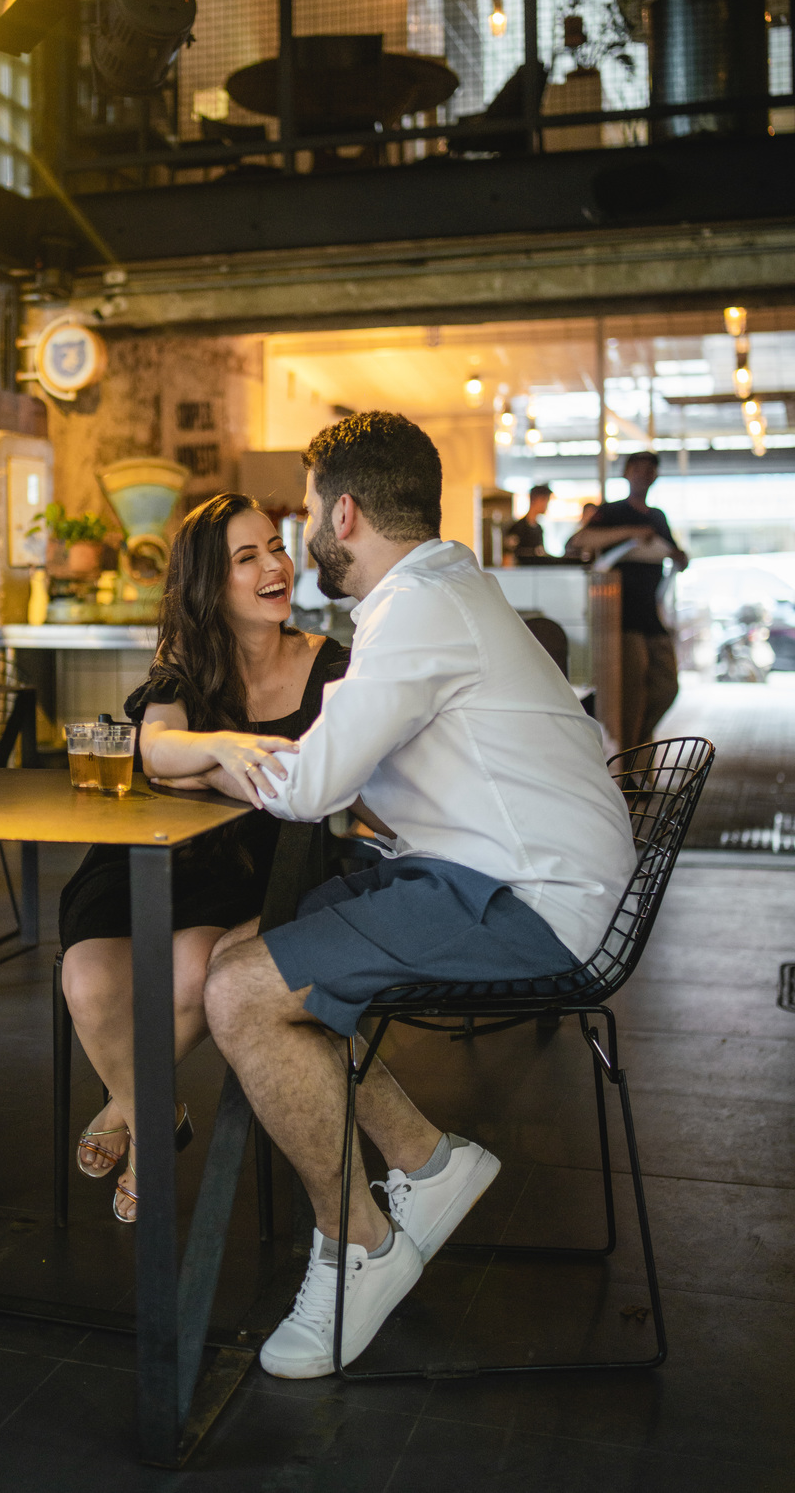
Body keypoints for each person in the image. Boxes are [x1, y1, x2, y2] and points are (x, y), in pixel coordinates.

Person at [201, 411, 637, 1379]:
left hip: (529, 900)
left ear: (343, 512)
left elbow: (311, 787)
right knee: (245, 953)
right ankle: (431, 1163)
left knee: (239, 991)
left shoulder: (418, 610)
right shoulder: (439, 590)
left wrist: (194, 753)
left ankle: (360, 1247)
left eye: (307, 510)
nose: (304, 529)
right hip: (502, 871)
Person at [59, 492, 349, 1223]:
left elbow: (311, 777)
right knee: (86, 978)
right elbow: (156, 747)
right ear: (209, 586)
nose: (274, 566)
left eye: (275, 548)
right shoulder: (185, 665)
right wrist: (221, 748)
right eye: (246, 558)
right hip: (158, 857)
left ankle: (132, 1115)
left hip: (250, 871)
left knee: (194, 967)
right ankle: (152, 1113)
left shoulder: (330, 664)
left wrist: (205, 772)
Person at [569, 451, 689, 748]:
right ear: (626, 473)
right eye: (637, 469)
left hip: (652, 613)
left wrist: (679, 556)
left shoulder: (657, 517)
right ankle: (630, 760)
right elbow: (579, 541)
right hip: (620, 615)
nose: (643, 475)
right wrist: (631, 533)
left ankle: (636, 747)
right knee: (631, 693)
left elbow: (674, 553)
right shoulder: (612, 511)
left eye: (650, 470)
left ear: (655, 476)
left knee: (666, 686)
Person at [502, 483, 553, 563]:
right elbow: (508, 557)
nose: (547, 505)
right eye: (546, 501)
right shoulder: (517, 528)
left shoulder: (538, 529)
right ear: (536, 500)